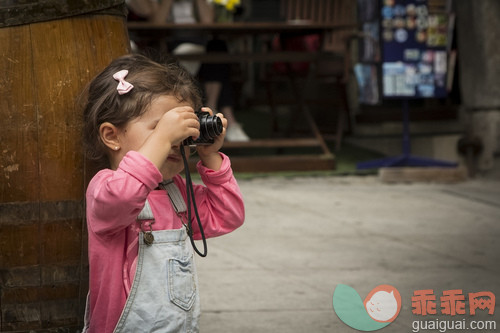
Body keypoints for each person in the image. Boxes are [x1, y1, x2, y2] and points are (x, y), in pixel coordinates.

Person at [81, 53, 245, 333]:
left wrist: (210, 155)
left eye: (181, 132)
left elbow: (228, 215)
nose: (174, 140)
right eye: (159, 128)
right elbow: (125, 197)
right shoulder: (105, 187)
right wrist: (161, 140)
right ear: (112, 136)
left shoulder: (177, 194)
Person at [126, 0, 251, 141]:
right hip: (170, 42)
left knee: (218, 49)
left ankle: (212, 108)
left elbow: (208, 22)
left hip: (199, 42)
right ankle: (220, 118)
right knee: (166, 59)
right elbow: (156, 22)